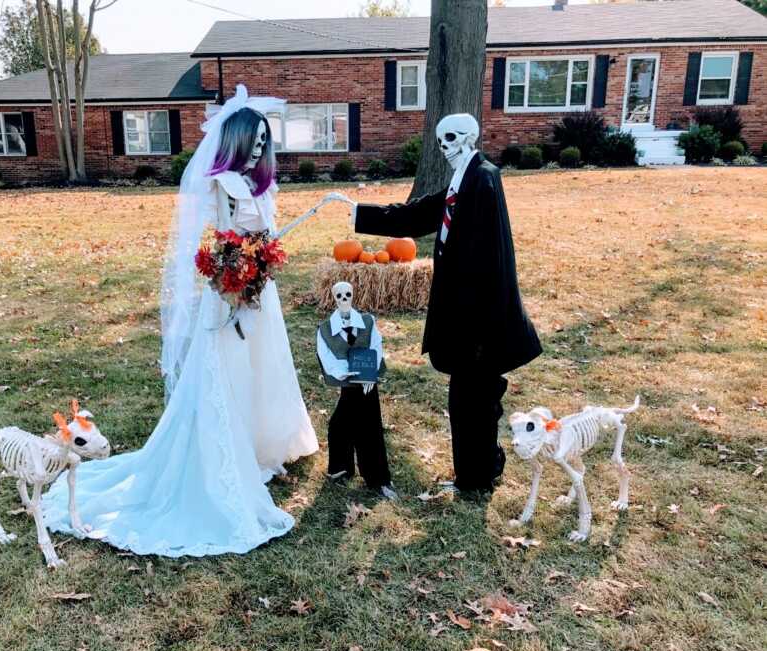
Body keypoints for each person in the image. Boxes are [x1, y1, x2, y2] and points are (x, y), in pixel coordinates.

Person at [42, 85, 318, 556]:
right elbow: (214, 243)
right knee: (228, 370)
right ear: (234, 141)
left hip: (258, 292)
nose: (257, 150)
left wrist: (264, 258)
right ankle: (225, 451)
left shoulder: (262, 184)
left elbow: (264, 233)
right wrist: (237, 268)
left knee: (263, 365)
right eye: (251, 141)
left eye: (263, 142)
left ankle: (259, 445)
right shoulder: (223, 184)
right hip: (230, 291)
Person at [327, 113, 541, 496]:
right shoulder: (465, 178)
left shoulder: (484, 179)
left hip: (479, 321)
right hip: (467, 318)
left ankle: (477, 478)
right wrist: (358, 211)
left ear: (470, 138)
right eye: (440, 139)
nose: (444, 146)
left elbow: (486, 259)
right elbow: (418, 214)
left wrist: (475, 330)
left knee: (473, 399)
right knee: (469, 399)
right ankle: (479, 472)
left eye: (452, 137)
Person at [316, 281, 397, 500]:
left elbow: (375, 347)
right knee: (347, 422)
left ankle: (374, 476)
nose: (344, 299)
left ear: (353, 295)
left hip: (367, 382)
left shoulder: (368, 322)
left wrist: (368, 374)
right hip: (348, 381)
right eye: (339, 295)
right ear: (334, 297)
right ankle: (355, 470)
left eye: (348, 294)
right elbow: (327, 356)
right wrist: (344, 373)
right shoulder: (325, 329)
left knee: (363, 424)